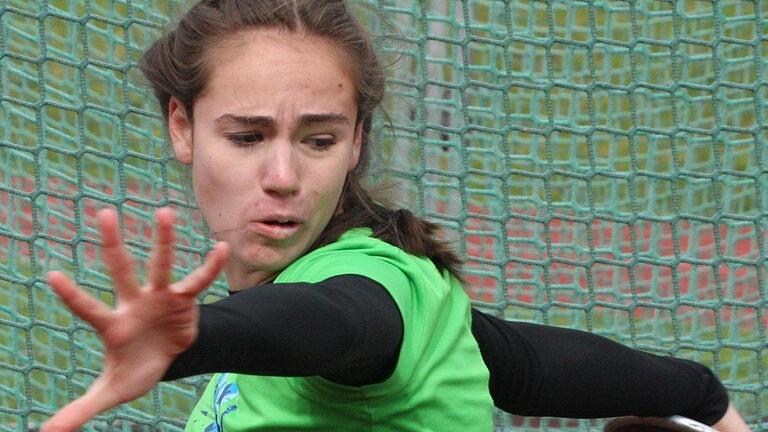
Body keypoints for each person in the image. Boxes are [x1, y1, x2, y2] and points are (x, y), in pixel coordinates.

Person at [39, 0, 752, 431]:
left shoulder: (370, 286)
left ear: (356, 142)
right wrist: (700, 394)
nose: (284, 177)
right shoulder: (419, 298)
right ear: (182, 126)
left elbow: (341, 323)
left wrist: (196, 340)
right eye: (248, 136)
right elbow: (524, 365)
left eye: (319, 140)